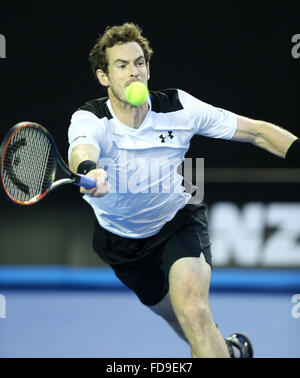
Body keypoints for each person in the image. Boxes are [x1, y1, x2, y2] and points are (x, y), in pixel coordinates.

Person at [68, 23, 298, 358]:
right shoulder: (91, 118)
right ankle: (229, 352)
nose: (134, 72)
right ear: (104, 77)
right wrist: (90, 170)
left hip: (178, 223)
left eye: (139, 63)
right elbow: (81, 151)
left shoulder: (179, 108)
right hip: (121, 244)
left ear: (148, 68)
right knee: (180, 320)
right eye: (122, 65)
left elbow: (257, 132)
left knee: (193, 311)